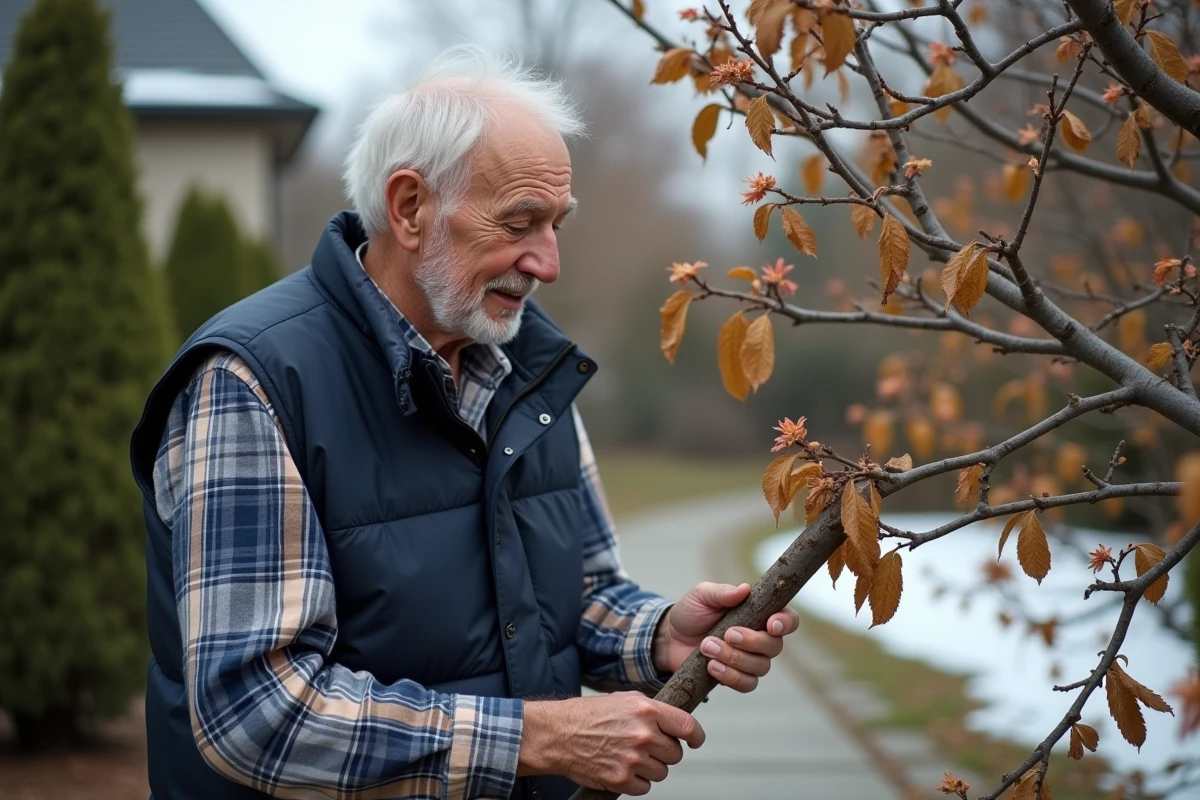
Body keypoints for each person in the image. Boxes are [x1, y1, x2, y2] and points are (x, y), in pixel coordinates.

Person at [129, 45, 799, 800]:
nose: (547, 263)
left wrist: (658, 634)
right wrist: (538, 738)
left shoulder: (526, 366)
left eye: (556, 225)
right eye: (520, 222)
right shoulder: (251, 382)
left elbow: (571, 595)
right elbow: (257, 713)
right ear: (410, 208)